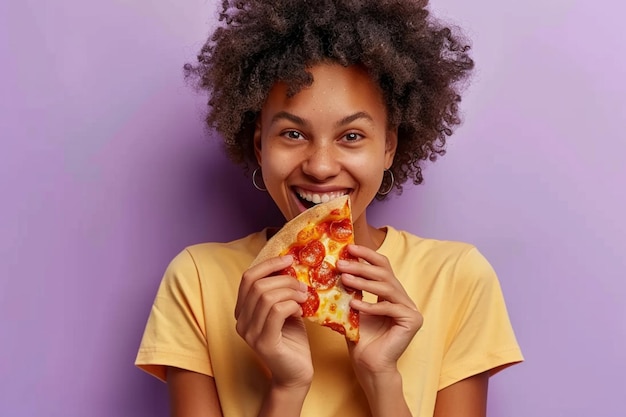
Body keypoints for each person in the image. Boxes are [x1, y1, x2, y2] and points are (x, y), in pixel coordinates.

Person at [135, 1, 523, 416]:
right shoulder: (197, 279)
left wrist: (382, 377)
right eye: (292, 133)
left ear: (389, 146)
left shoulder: (458, 277)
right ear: (259, 146)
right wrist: (287, 385)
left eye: (352, 135)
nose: (320, 166)